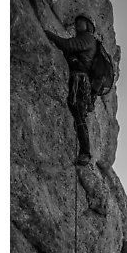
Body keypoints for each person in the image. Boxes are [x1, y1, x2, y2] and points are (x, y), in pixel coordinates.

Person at [45, 14, 97, 166]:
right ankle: (84, 151)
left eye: (81, 22)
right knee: (77, 114)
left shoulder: (88, 38)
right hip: (79, 79)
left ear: (88, 26)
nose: (77, 23)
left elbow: (68, 45)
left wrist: (49, 35)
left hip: (80, 80)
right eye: (77, 22)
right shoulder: (85, 39)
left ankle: (85, 153)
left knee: (78, 114)